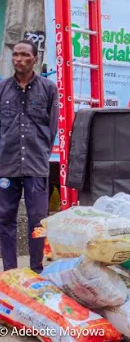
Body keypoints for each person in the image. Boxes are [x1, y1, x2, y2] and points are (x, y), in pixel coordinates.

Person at [0, 40, 58, 272]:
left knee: (37, 220)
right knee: (4, 219)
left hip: (35, 165)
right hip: (6, 167)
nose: (18, 59)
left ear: (35, 59)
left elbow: (51, 128)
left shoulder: (48, 89)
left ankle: (36, 269)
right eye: (15, 55)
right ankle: (10, 271)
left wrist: (42, 152)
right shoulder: (2, 89)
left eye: (24, 55)